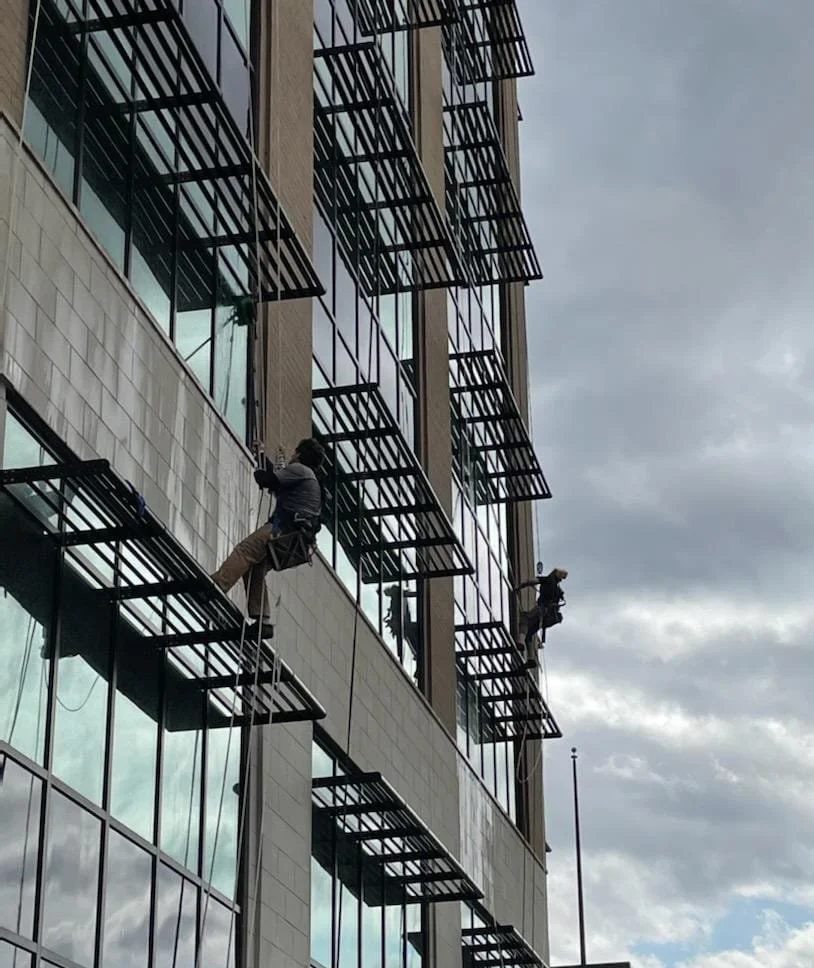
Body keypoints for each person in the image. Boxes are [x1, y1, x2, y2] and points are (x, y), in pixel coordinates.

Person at [211, 438, 326, 638]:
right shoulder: (309, 479)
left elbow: (267, 480)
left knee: (245, 551)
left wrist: (259, 467)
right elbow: (276, 483)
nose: (291, 456)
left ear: (298, 454)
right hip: (294, 542)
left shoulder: (300, 470)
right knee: (256, 568)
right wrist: (262, 457)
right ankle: (262, 620)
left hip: (283, 531)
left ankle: (217, 586)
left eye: (294, 453)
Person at [514, 567, 568, 650]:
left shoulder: (547, 579)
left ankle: (520, 641)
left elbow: (530, 581)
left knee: (525, 618)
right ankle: (531, 659)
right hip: (548, 618)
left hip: (542, 609)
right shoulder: (558, 590)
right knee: (530, 633)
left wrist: (519, 587)